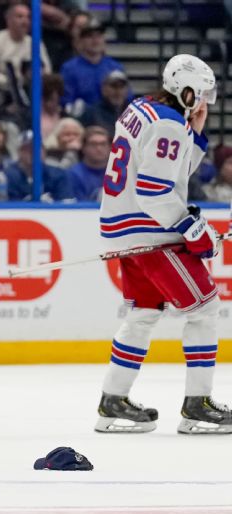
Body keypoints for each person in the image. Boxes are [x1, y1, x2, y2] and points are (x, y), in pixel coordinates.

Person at [96, 54, 231, 434]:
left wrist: (197, 133)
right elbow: (156, 192)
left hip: (125, 229)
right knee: (205, 308)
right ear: (185, 90)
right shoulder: (170, 125)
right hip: (151, 232)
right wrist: (193, 229)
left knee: (143, 313)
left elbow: (168, 172)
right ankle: (198, 405)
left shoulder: (144, 108)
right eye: (201, 94)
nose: (203, 102)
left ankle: (113, 401)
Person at [60, 18, 126, 115]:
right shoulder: (69, 69)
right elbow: (66, 102)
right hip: (82, 120)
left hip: (112, 120)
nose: (95, 40)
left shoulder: (115, 67)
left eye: (99, 36)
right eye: (90, 36)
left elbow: (126, 98)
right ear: (81, 41)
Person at [5, 130, 73, 202]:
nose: (33, 152)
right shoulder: (9, 176)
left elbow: (66, 204)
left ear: (45, 151)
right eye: (27, 148)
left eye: (37, 147)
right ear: (19, 152)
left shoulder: (58, 175)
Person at [79, 70, 129, 138]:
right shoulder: (91, 113)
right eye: (114, 86)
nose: (118, 91)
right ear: (103, 89)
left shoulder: (134, 113)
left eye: (121, 87)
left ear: (127, 90)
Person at [67, 125, 110, 201]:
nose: (99, 148)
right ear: (83, 147)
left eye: (103, 144)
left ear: (110, 147)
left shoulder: (118, 174)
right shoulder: (73, 174)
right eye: (93, 144)